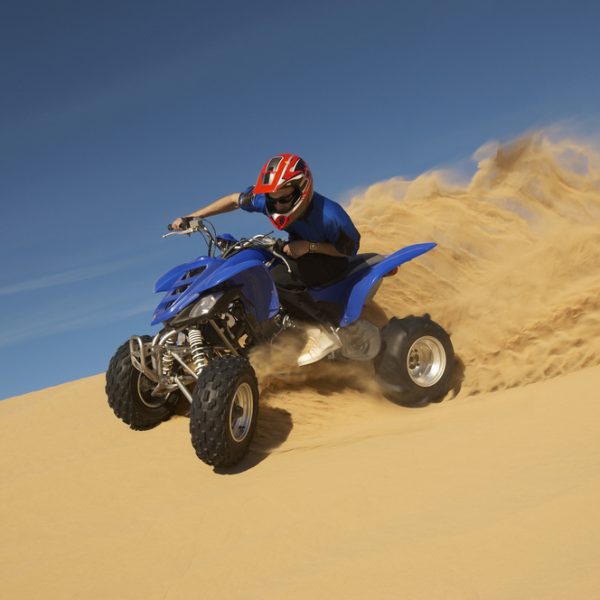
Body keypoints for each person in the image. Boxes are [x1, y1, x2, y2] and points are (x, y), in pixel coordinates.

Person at [170, 153, 361, 365]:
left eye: (283, 199)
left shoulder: (331, 216)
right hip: (294, 250)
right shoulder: (268, 200)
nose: (277, 205)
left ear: (302, 189)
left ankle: (323, 330)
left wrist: (309, 246)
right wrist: (194, 216)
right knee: (253, 274)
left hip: (329, 259)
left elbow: (349, 250)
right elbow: (234, 200)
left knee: (277, 278)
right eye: (272, 199)